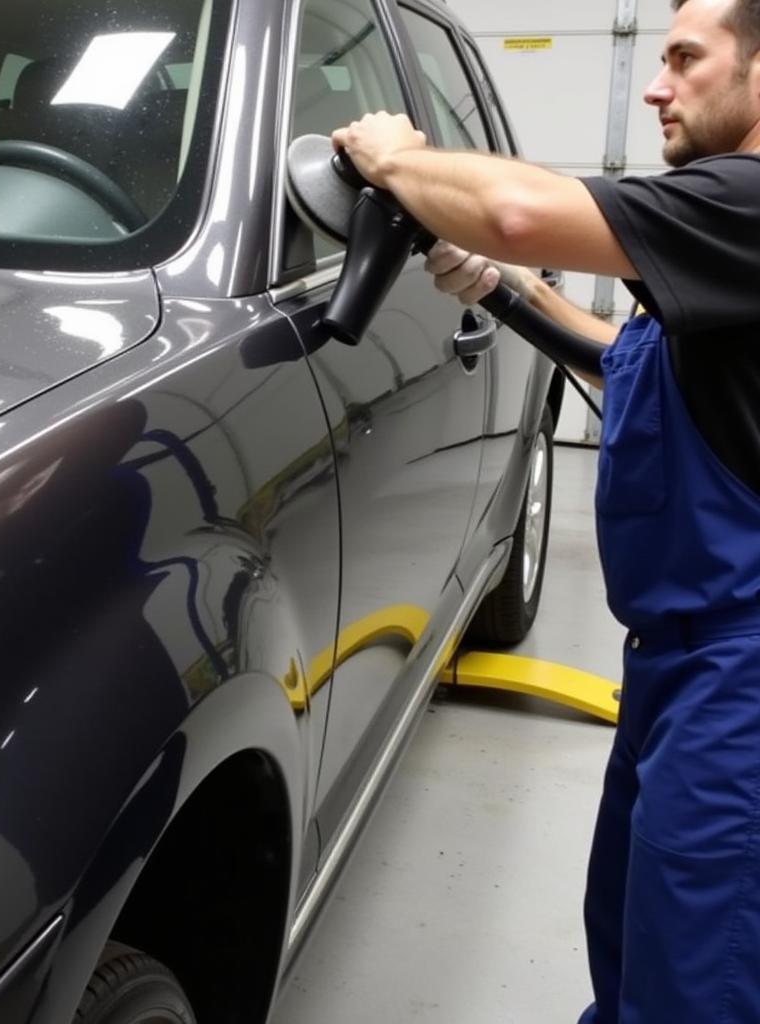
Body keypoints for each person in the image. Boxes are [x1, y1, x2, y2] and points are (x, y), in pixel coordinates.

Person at [331, 0, 760, 1020]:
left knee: (696, 984)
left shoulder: (746, 201)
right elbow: (629, 363)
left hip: (739, 685)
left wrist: (397, 158)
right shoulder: (719, 241)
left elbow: (519, 207)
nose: (657, 84)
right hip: (678, 665)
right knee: (631, 944)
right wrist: (504, 289)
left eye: (685, 60)